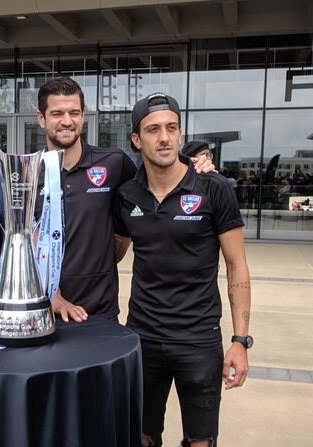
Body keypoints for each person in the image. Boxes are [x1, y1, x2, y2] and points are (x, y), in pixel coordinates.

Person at [114, 93, 251, 447]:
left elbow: (237, 266)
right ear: (136, 139)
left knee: (200, 442)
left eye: (172, 128)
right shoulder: (127, 195)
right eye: (153, 129)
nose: (164, 137)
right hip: (142, 337)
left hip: (199, 340)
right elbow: (115, 251)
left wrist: (240, 340)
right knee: (140, 438)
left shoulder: (213, 189)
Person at [32, 77, 215, 323]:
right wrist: (48, 292)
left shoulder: (114, 163)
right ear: (41, 118)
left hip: (100, 312)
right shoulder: (27, 174)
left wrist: (193, 165)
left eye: (74, 112)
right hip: (42, 311)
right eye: (57, 113)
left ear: (83, 115)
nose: (67, 121)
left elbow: (156, 180)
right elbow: (18, 244)